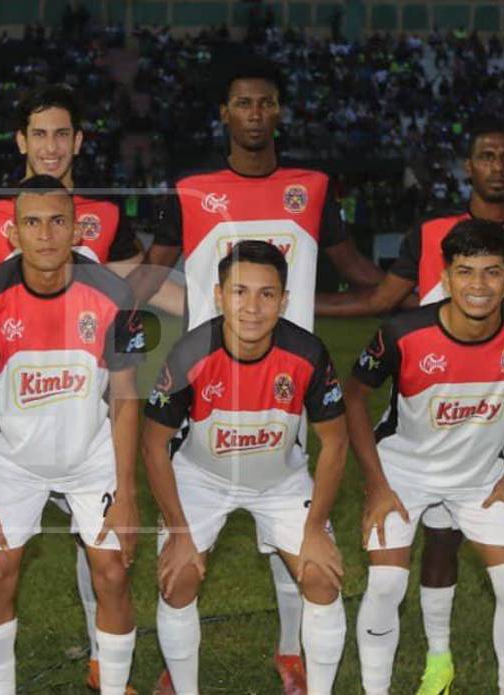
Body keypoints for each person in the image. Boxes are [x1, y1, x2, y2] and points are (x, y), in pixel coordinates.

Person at [126, 57, 383, 694]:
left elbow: (360, 273)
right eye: (243, 102)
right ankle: (181, 671)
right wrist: (101, 315)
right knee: (180, 570)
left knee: (305, 555)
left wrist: (427, 295)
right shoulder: (192, 189)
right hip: (207, 394)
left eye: (266, 102)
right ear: (225, 113)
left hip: (285, 391)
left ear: (279, 111)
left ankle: (292, 656)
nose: (255, 113)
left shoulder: (312, 188)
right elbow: (152, 272)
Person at [317, 116, 504, 695]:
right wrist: (293, 307)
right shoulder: (428, 238)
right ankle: (438, 660)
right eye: (486, 155)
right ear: (469, 166)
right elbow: (382, 305)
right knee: (434, 543)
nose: (498, 166)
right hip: (431, 426)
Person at [0, 84, 143, 695]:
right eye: (33, 223)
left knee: (110, 567)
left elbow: (127, 396)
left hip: (90, 447)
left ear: (77, 226)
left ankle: (109, 675)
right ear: (13, 231)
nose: (47, 233)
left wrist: (128, 491)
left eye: (59, 222)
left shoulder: (109, 287)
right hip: (15, 451)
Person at [347, 219, 504, 695]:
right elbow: (355, 396)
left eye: (491, 272)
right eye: (465, 271)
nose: (478, 285)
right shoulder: (403, 332)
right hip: (402, 473)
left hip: (481, 477)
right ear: (445, 277)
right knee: (385, 584)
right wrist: (377, 485)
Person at [143, 241, 349, 695]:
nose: (252, 307)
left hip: (280, 481)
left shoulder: (308, 352)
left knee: (321, 577)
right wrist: (179, 533)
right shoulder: (189, 353)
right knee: (178, 580)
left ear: (284, 300)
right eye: (239, 292)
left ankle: (310, 679)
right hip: (202, 479)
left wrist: (315, 527)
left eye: (266, 294)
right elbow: (154, 445)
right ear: (219, 295)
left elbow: (335, 442)